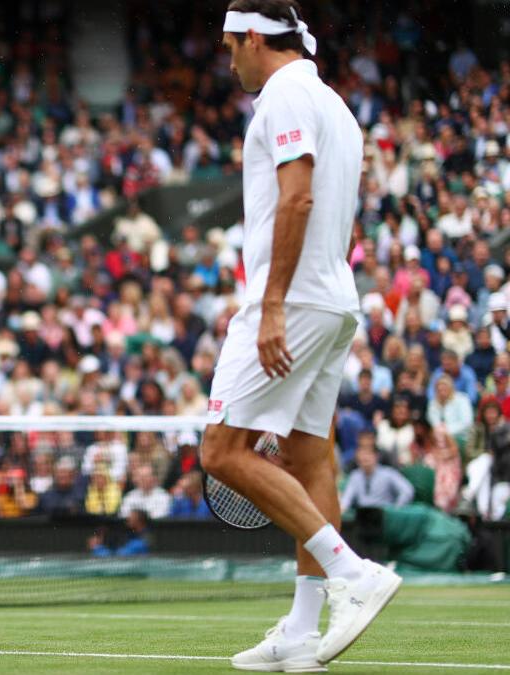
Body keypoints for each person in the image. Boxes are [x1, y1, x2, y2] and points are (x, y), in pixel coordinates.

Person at [203, 3, 402, 671]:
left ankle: (355, 574)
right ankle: (301, 628)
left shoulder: (284, 94)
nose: (228, 58)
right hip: (333, 295)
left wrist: (273, 306)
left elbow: (297, 199)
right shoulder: (333, 102)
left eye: (231, 44)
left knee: (222, 449)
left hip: (294, 299)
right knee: (309, 458)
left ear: (255, 39)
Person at [339, 435, 415, 511]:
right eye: (362, 454)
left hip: (383, 513)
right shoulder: (355, 476)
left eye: (368, 454)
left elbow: (407, 490)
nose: (365, 457)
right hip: (362, 515)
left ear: (376, 456)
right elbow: (346, 499)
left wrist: (397, 509)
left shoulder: (388, 473)